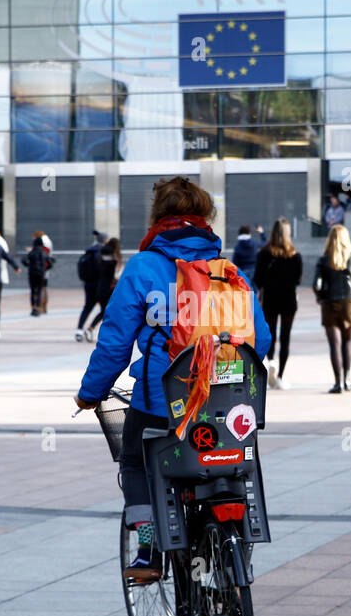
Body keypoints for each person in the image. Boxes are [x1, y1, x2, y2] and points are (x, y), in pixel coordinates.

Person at [74, 176, 270, 580]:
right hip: (225, 403)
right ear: (204, 218)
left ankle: (147, 550)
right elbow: (261, 339)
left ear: (158, 216)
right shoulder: (227, 271)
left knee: (133, 461)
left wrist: (90, 394)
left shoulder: (144, 267)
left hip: (160, 403)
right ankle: (231, 553)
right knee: (228, 464)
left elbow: (115, 343)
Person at [315, 224, 351, 393]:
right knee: (347, 341)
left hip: (330, 302)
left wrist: (322, 297)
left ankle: (338, 383)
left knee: (334, 344)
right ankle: (348, 379)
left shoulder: (323, 259)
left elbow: (317, 284)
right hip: (350, 303)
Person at [254, 217, 302, 389]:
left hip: (270, 298)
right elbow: (298, 279)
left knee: (271, 334)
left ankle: (271, 361)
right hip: (288, 298)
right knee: (286, 337)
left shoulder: (264, 253)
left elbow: (257, 279)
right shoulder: (295, 255)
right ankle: (281, 375)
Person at [85, 236, 123, 340]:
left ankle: (91, 328)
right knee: (109, 312)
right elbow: (116, 276)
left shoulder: (101, 258)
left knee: (104, 311)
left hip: (100, 288)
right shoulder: (114, 260)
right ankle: (101, 331)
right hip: (109, 290)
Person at [75, 230, 105, 342]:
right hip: (100, 285)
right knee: (105, 309)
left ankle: (79, 330)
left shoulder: (89, 251)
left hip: (88, 284)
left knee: (87, 307)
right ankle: (91, 328)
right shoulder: (102, 252)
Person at [23, 232, 54, 317]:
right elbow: (51, 263)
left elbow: (24, 260)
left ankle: (33, 307)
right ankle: (39, 307)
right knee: (40, 290)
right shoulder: (44, 252)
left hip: (32, 273)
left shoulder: (31, 252)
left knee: (33, 291)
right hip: (41, 273)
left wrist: (29, 266)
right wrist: (45, 269)